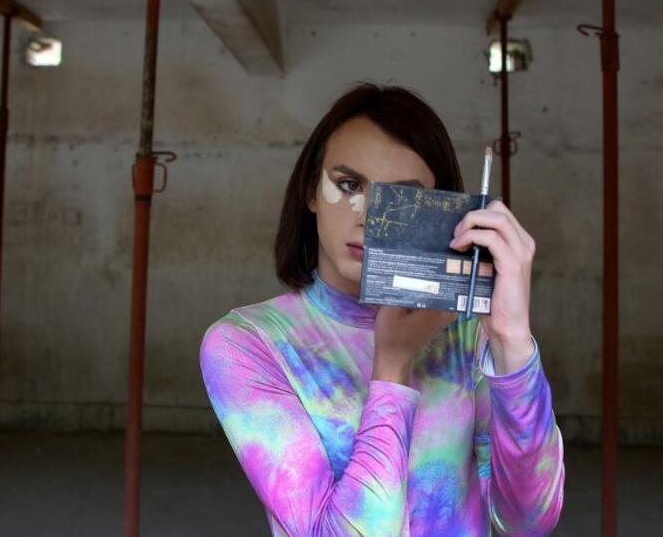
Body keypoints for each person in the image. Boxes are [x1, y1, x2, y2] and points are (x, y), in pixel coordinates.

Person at [200, 83, 564, 535]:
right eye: (349, 184)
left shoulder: (467, 332)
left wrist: (512, 341)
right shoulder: (248, 344)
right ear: (311, 191)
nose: (370, 214)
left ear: (440, 212)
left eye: (401, 198)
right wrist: (392, 367)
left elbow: (528, 521)